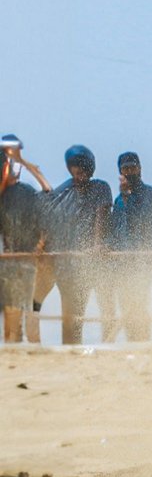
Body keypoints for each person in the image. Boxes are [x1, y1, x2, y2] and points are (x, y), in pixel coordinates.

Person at [41, 145, 113, 345]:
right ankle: (70, 351)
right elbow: (48, 219)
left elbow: (102, 214)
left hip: (98, 261)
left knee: (106, 309)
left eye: (83, 168)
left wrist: (97, 244)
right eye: (75, 168)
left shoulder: (100, 187)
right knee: (73, 315)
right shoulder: (62, 193)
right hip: (71, 265)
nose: (79, 172)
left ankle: (108, 349)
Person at [106, 151, 152, 342]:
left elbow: (143, 222)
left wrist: (129, 197)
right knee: (125, 305)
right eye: (126, 169)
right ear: (120, 172)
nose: (130, 172)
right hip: (121, 263)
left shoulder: (151, 194)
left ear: (139, 168)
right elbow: (115, 229)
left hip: (141, 261)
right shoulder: (118, 200)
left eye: (133, 167)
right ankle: (132, 343)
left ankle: (143, 343)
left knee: (139, 304)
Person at [0, 136, 50, 344]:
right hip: (10, 261)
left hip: (26, 260)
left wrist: (39, 246)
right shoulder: (4, 196)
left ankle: (32, 346)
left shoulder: (28, 193)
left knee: (28, 307)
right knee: (12, 310)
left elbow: (46, 213)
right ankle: (14, 346)